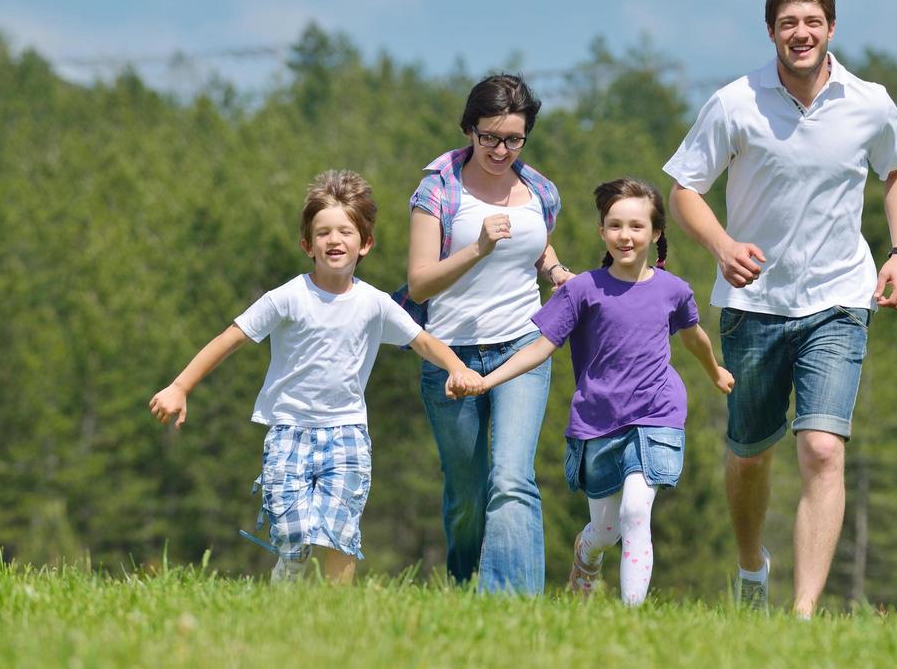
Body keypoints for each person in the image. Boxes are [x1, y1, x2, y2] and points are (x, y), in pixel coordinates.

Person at [663, 0, 897, 617]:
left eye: (811, 22)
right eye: (787, 24)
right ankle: (752, 568)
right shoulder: (734, 103)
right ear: (772, 32)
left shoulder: (869, 103)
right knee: (750, 455)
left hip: (838, 297)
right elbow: (684, 190)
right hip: (754, 305)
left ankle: (803, 613)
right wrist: (722, 247)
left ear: (830, 28)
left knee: (822, 448)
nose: (799, 34)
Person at [149, 170, 480, 585]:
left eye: (345, 231)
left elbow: (424, 342)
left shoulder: (374, 303)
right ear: (308, 245)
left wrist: (457, 367)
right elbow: (229, 339)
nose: (334, 240)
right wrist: (180, 387)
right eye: (323, 233)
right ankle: (288, 575)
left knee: (339, 535)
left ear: (366, 244)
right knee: (293, 534)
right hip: (289, 431)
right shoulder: (288, 297)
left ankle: (335, 619)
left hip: (347, 434)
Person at [450, 178, 733, 606]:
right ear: (602, 231)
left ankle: (631, 619)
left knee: (637, 511)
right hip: (598, 420)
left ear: (656, 233)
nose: (626, 236)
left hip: (657, 414)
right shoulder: (583, 291)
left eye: (637, 226)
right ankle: (586, 554)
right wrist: (487, 380)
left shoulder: (673, 290)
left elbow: (694, 339)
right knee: (605, 530)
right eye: (615, 225)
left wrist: (714, 372)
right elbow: (538, 348)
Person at [405, 74, 574, 594]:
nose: (501, 150)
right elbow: (419, 283)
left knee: (511, 478)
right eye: (490, 138)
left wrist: (556, 270)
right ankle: (463, 588)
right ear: (469, 130)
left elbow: (534, 246)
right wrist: (476, 248)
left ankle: (512, 604)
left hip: (522, 347)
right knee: (467, 493)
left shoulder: (541, 191)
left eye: (513, 139)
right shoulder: (437, 190)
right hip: (450, 355)